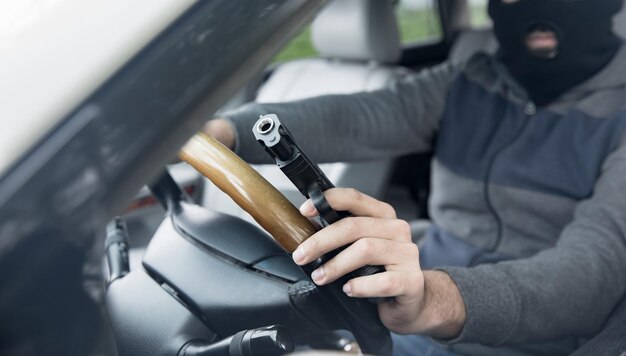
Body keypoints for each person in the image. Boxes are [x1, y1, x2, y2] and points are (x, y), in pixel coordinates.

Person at [204, 0, 626, 354]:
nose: (540, 9)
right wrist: (223, 132)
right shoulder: (471, 78)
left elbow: (590, 272)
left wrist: (434, 301)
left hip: (526, 334)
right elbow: (358, 117)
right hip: (410, 302)